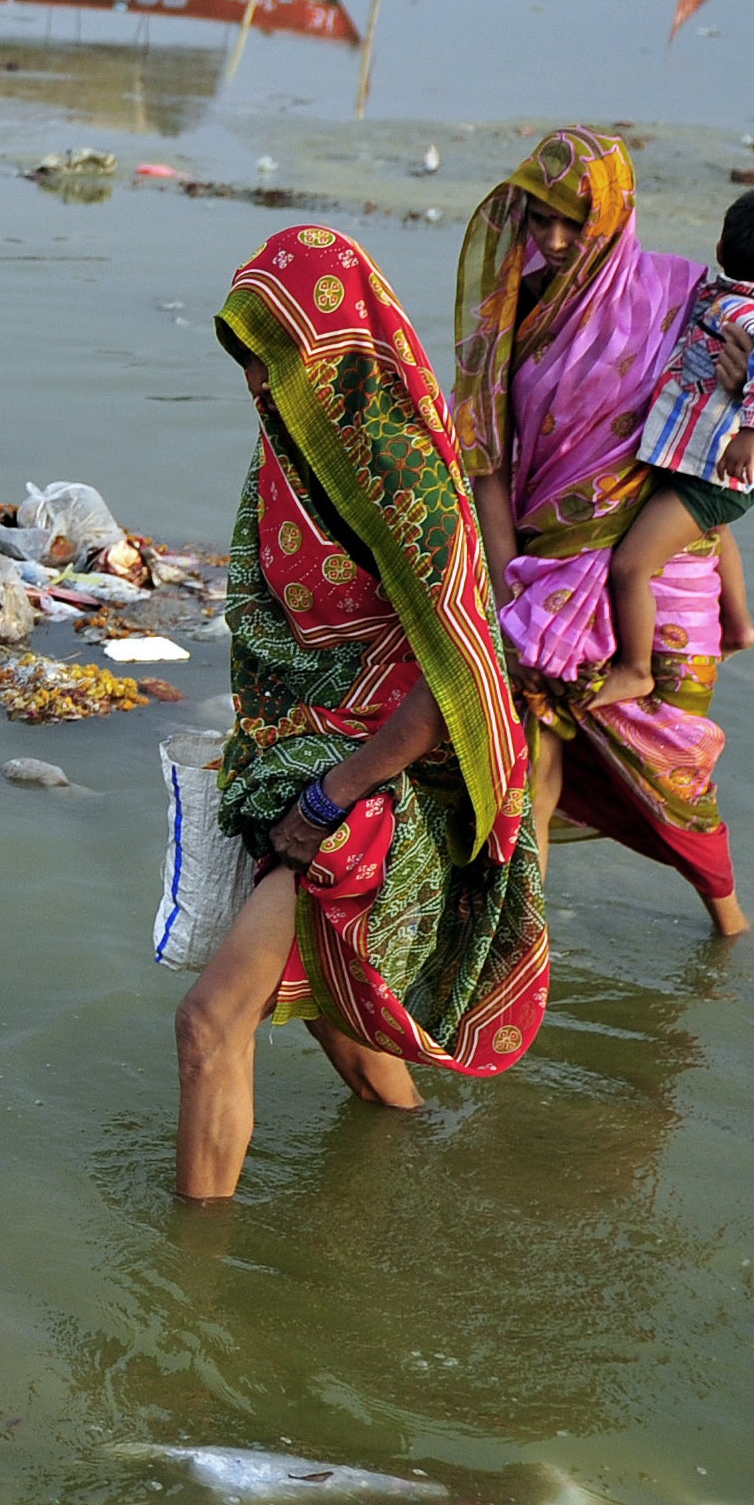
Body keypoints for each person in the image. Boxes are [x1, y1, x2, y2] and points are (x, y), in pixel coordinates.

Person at [172, 227, 545, 1204]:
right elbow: (281, 633)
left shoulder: (403, 473)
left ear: (327, 349)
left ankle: (187, 1294)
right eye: (244, 360)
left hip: (382, 788)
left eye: (273, 358)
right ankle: (431, 1191)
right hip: (300, 769)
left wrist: (328, 798)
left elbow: (460, 675)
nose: (256, 382)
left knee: (210, 1026)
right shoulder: (288, 455)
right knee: (341, 1027)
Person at [445, 128, 750, 933]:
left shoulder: (686, 298)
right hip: (541, 575)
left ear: (613, 215)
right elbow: (486, 462)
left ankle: (731, 927)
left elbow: (721, 442)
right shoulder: (511, 310)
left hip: (662, 576)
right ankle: (521, 949)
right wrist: (511, 590)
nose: (550, 240)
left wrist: (741, 382)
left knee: (675, 768)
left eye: (571, 223)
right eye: (537, 219)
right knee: (530, 773)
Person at [599, 187, 754, 712]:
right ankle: (739, 626)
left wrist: (753, 431)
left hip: (710, 476)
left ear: (721, 249)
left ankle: (634, 670)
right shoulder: (725, 301)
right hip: (708, 471)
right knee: (717, 532)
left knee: (630, 567)